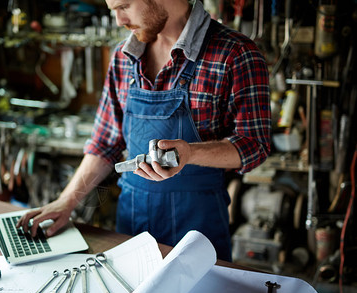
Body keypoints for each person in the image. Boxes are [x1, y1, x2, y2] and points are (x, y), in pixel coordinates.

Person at [17, 0, 271, 261]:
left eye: (124, 6)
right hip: (132, 230)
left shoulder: (236, 53)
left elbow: (254, 146)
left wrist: (190, 153)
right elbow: (105, 144)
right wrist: (66, 202)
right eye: (113, 10)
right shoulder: (123, 58)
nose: (118, 20)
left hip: (199, 234)